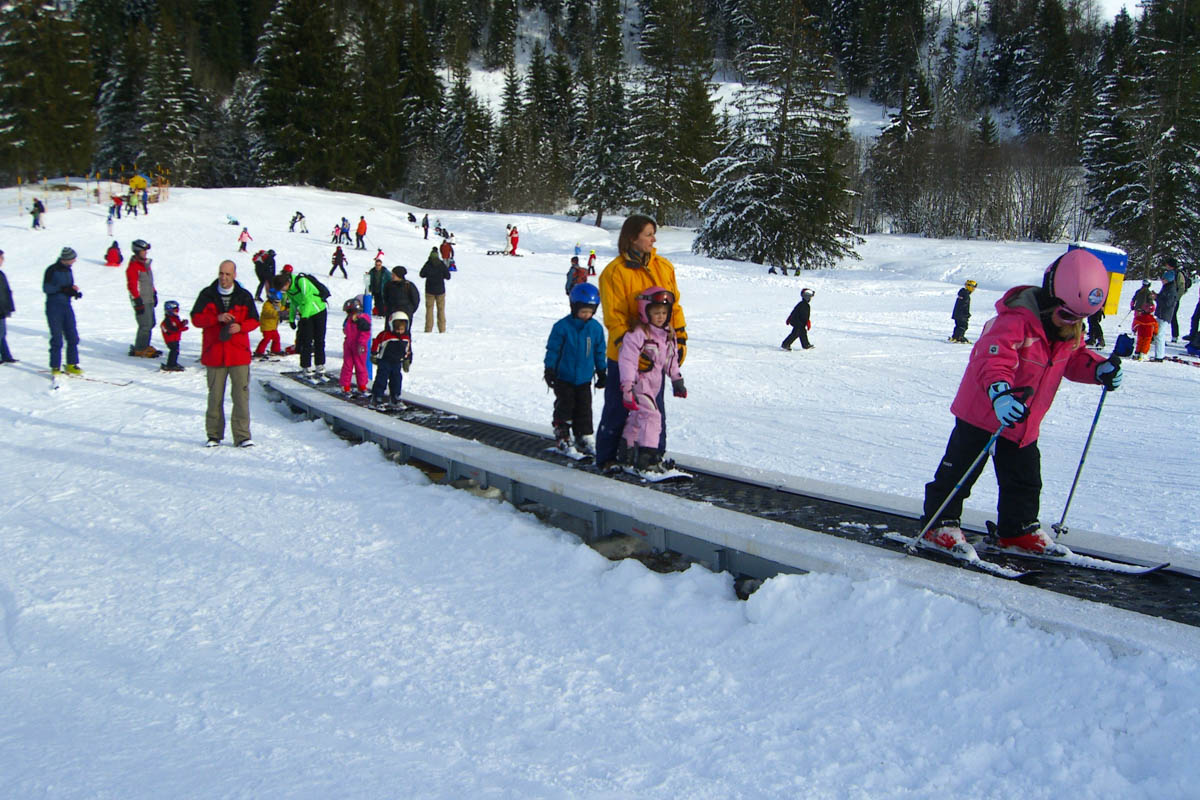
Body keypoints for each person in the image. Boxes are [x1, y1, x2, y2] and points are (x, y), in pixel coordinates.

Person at [919, 250, 1122, 558]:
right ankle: (939, 523)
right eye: (1067, 316)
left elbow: (1074, 358)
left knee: (1025, 478)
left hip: (1024, 421)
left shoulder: (1066, 329)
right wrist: (1000, 394)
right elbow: (993, 358)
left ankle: (1018, 529)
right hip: (983, 411)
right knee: (959, 471)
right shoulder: (1014, 322)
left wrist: (1097, 368)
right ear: (1051, 302)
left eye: (1082, 319)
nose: (1073, 325)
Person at [594, 215, 687, 472]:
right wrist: (633, 351)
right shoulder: (615, 273)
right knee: (619, 407)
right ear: (632, 237)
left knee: (653, 410)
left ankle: (652, 455)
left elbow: (674, 307)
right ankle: (608, 457)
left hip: (656, 355)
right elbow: (615, 318)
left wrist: (680, 339)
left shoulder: (664, 268)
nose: (653, 239)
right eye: (648, 234)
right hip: (625, 356)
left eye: (653, 234)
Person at [617, 287, 686, 474]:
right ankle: (647, 457)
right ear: (645, 312)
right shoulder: (638, 334)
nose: (661, 317)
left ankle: (627, 450)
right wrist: (628, 387)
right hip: (640, 384)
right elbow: (628, 361)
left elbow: (670, 359)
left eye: (664, 313)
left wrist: (676, 379)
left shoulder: (667, 336)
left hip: (654, 385)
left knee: (638, 417)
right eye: (656, 313)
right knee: (652, 416)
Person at [191, 260, 259, 447]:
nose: (224, 277)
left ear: (234, 275)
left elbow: (255, 320)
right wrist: (216, 318)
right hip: (215, 354)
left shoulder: (244, 296)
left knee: (241, 398)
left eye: (228, 274)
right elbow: (196, 319)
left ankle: (242, 436)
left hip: (238, 354)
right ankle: (213, 435)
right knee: (215, 397)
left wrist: (241, 327)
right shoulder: (207, 294)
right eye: (221, 273)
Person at [544, 283, 607, 456]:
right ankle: (562, 433)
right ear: (574, 308)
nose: (587, 315)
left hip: (584, 378)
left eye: (590, 312)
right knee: (565, 406)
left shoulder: (595, 329)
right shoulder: (562, 327)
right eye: (583, 311)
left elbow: (599, 351)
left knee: (584, 408)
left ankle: (584, 435)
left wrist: (602, 371)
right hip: (563, 377)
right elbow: (553, 350)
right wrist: (549, 369)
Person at [281, 271, 329, 380]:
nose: (284, 290)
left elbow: (308, 299)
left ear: (287, 282)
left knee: (319, 339)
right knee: (306, 341)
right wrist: (292, 319)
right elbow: (293, 303)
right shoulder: (290, 290)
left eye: (283, 287)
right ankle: (306, 366)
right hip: (306, 314)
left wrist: (305, 317)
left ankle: (320, 364)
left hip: (318, 311)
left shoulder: (301, 282)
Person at [44, 246, 83, 376]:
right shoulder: (52, 270)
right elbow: (47, 288)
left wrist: (73, 292)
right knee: (57, 338)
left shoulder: (68, 270)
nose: (74, 261)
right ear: (66, 259)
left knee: (72, 336)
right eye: (73, 259)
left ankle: (71, 364)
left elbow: (67, 287)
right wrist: (63, 289)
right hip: (54, 307)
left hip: (66, 305)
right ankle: (55, 366)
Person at [369, 311, 412, 410]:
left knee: (396, 379)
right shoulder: (386, 335)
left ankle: (395, 397)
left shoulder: (406, 338)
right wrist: (374, 354)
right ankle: (376, 397)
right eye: (398, 329)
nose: (400, 331)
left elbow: (407, 349)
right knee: (381, 379)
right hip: (385, 361)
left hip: (396, 362)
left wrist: (406, 360)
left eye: (402, 329)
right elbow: (376, 343)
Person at [126, 238, 161, 358]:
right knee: (145, 325)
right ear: (137, 251)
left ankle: (145, 345)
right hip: (141, 299)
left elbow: (149, 282)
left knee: (151, 323)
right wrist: (137, 300)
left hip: (149, 297)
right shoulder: (133, 267)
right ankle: (140, 348)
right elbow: (132, 285)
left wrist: (154, 293)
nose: (146, 252)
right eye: (144, 250)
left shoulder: (146, 265)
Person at [340, 297, 372, 395]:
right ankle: (345, 386)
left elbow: (365, 331)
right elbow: (346, 330)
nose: (350, 315)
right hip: (349, 344)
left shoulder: (363, 318)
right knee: (347, 366)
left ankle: (362, 385)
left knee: (360, 366)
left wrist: (361, 344)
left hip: (359, 345)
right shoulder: (349, 320)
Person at [1150, 262, 1178, 362]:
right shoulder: (1167, 287)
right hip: (1161, 313)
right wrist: (1156, 297)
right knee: (1157, 334)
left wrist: (1157, 297)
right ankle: (1158, 355)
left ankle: (1159, 356)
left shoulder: (1171, 290)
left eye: (1164, 279)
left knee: (1159, 335)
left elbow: (1168, 303)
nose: (1162, 281)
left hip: (1165, 315)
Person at [419, 248, 451, 333]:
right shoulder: (441, 264)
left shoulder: (428, 264)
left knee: (429, 310)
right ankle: (442, 329)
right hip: (440, 290)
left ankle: (428, 329)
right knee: (441, 310)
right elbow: (448, 276)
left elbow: (421, 274)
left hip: (429, 290)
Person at [255, 287, 286, 359]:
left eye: (278, 301)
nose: (277, 303)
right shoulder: (267, 305)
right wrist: (278, 313)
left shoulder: (277, 304)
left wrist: (286, 310)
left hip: (273, 326)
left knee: (276, 338)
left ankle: (275, 350)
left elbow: (281, 308)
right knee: (267, 338)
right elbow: (268, 313)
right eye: (276, 301)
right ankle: (259, 352)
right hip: (266, 326)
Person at [159, 300, 189, 372]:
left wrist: (182, 323)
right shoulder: (167, 320)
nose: (177, 312)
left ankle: (173, 363)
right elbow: (172, 330)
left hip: (175, 338)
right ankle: (170, 365)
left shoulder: (175, 318)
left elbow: (177, 326)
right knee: (174, 350)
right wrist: (182, 328)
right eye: (176, 310)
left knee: (176, 351)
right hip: (170, 339)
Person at [0, 250, 16, 363]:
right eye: (1, 258)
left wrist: (9, 306)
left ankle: (6, 356)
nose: (3, 260)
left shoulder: (1, 274)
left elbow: (6, 292)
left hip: (2, 308)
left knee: (2, 333)